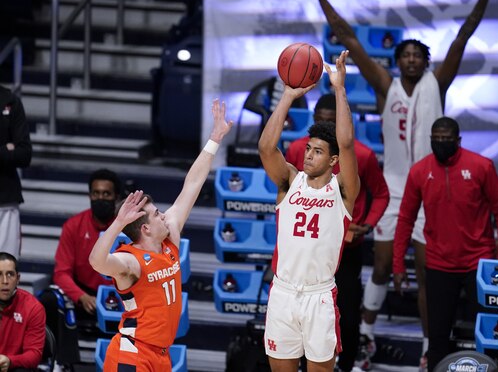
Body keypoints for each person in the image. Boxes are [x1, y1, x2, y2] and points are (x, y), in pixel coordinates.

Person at [301, 0, 498, 367]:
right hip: (394, 184)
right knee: (380, 262)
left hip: (432, 183)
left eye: (417, 55)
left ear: (426, 61)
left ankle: (430, 347)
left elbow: (462, 36)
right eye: (404, 55)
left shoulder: (437, 82)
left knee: (429, 271)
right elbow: (350, 39)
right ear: (397, 62)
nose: (410, 59)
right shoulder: (384, 85)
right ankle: (368, 337)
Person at [88, 99, 232, 371]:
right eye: (156, 215)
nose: (164, 216)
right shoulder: (129, 262)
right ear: (144, 228)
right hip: (132, 353)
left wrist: (214, 139)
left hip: (160, 354)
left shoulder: (169, 240)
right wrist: (117, 224)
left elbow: (192, 184)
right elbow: (96, 261)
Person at [259, 50, 360, 372]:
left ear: (332, 161)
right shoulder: (290, 181)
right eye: (308, 149)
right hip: (283, 292)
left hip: (319, 297)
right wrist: (288, 96)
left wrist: (339, 89)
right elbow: (265, 148)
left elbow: (346, 144)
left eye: (318, 151)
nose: (310, 156)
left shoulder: (343, 190)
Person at [392, 117, 498, 371]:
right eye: (436, 139)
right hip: (439, 264)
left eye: (447, 139)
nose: (441, 143)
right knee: (437, 338)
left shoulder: (481, 166)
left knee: (488, 334)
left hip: (479, 264)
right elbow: (405, 219)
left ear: (458, 141)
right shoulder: (420, 171)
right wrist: (398, 264)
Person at [285, 93, 389, 372]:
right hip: (306, 251)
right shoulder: (298, 150)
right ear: (314, 120)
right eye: (321, 120)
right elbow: (286, 197)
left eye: (333, 122)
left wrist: (366, 224)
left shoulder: (362, 156)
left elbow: (381, 194)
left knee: (346, 314)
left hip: (346, 250)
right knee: (302, 313)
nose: (327, 126)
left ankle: (347, 364)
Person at [38, 169, 122, 367]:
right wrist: (81, 297)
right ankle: (62, 362)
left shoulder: (127, 227)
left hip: (119, 296)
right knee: (50, 298)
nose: (100, 198)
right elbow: (61, 273)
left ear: (116, 197)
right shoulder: (73, 226)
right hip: (85, 295)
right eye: (96, 193)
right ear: (89, 195)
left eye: (106, 194)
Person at [0, 85, 32, 257]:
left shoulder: (10, 101)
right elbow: (14, 152)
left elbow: (25, 154)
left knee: (6, 269)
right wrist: (5, 149)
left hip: (5, 201)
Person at [0, 252, 46, 371]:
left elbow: (34, 355)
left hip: (14, 367)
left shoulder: (33, 308)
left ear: (18, 279)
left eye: (10, 274)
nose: (5, 281)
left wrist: (10, 361)